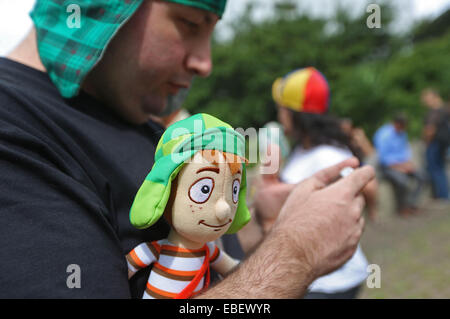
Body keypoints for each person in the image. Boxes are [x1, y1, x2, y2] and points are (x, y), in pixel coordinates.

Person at [0, 0, 374, 298]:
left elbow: (186, 248)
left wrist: (262, 227)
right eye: (190, 23)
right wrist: (296, 253)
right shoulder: (12, 124)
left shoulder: (128, 113)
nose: (205, 63)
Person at [263, 66, 370, 299]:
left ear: (296, 114)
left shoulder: (328, 156)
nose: (280, 116)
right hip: (316, 277)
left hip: (331, 282)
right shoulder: (302, 151)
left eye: (282, 109)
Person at [373, 114, 425, 217]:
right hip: (388, 167)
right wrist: (399, 167)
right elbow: (384, 159)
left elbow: (405, 151)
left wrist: (408, 164)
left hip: (402, 164)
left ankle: (412, 204)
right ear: (396, 124)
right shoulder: (384, 135)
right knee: (402, 181)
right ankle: (402, 208)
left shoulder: (402, 133)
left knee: (422, 177)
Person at [421, 88, 449, 200]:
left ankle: (442, 196)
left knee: (436, 169)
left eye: (426, 98)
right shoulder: (444, 109)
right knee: (440, 169)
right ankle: (444, 195)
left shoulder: (435, 111)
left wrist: (426, 142)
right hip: (443, 143)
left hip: (435, 143)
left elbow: (430, 129)